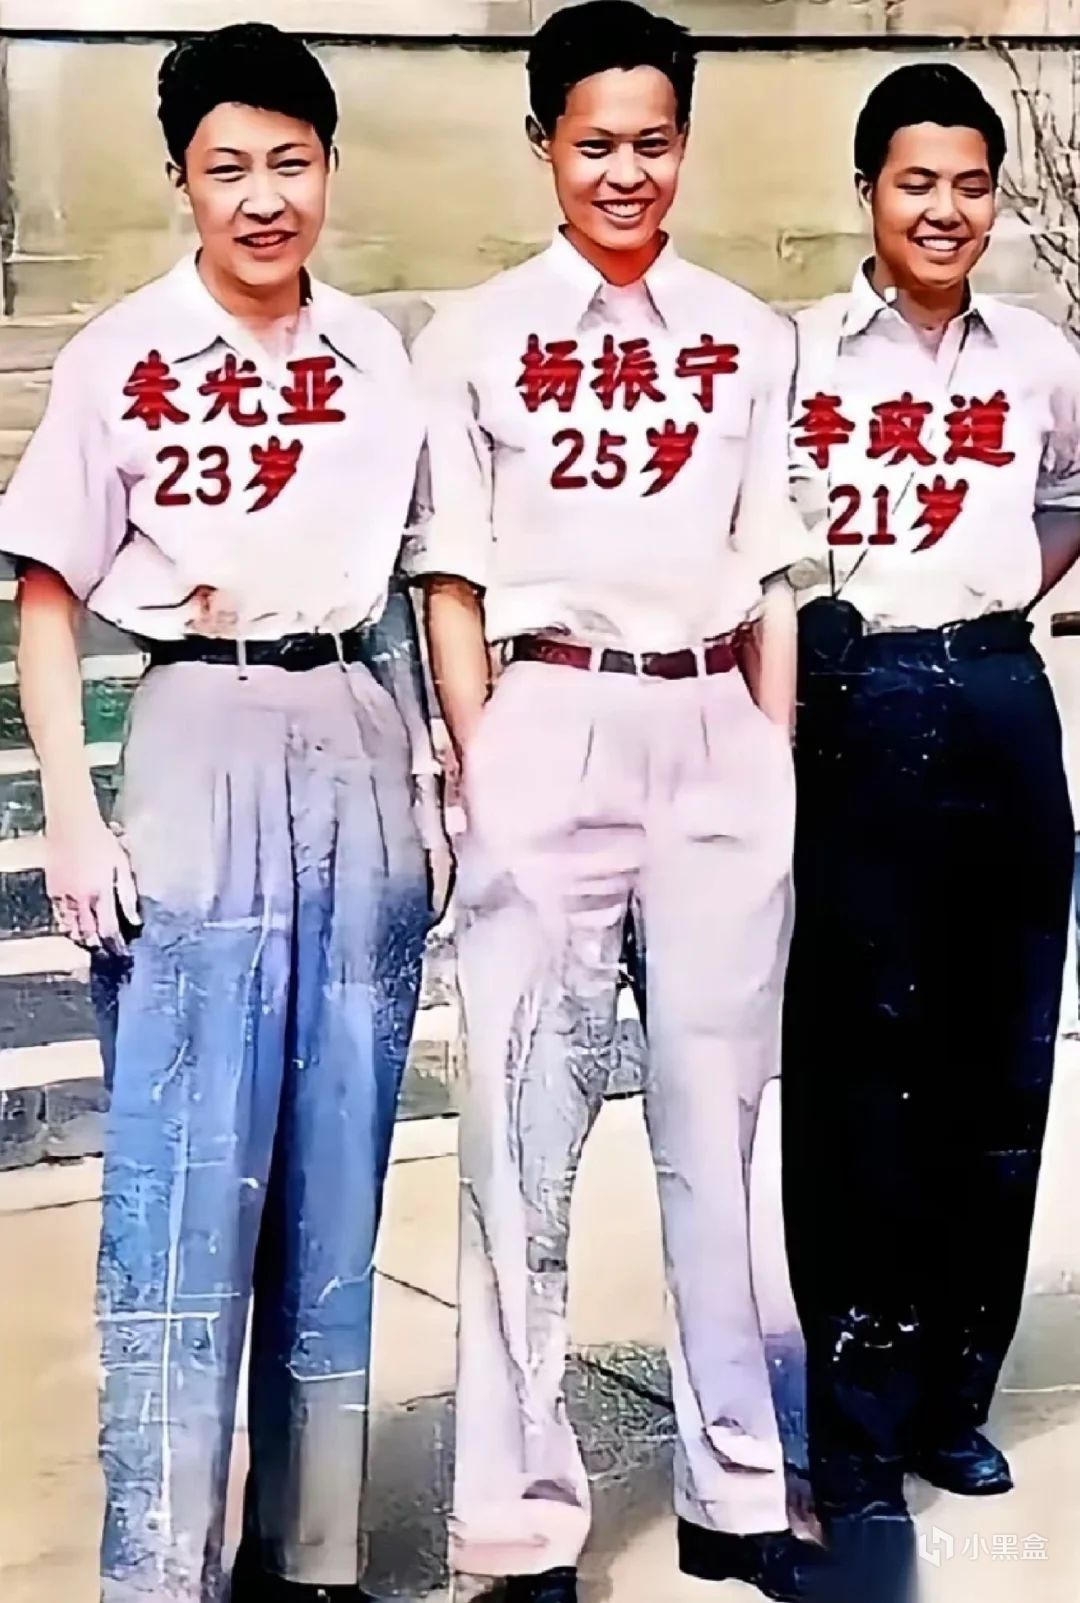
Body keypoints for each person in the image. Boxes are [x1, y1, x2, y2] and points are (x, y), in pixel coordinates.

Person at [0, 24, 447, 1603]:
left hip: (355, 730)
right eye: (228, 168)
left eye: (291, 163)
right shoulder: (122, 355)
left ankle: (309, 1554)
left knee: (340, 1169)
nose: (264, 198)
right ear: (182, 181)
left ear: (328, 169)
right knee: (186, 1179)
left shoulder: (377, 357)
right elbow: (46, 597)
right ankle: (159, 1566)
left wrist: (430, 780)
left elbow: (412, 581)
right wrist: (72, 812)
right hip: (195, 730)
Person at [406, 5, 821, 1599]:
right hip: (551, 718)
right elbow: (450, 576)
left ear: (685, 144)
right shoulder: (474, 336)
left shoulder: (749, 335)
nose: (626, 172)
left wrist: (769, 758)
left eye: (653, 142)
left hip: (717, 727)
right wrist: (486, 764)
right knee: (521, 1137)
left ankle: (739, 1487)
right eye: (596, 145)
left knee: (724, 1132)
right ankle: (519, 1519)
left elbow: (772, 567)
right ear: (544, 148)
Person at [783, 60, 1080, 1593]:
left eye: (971, 184)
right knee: (857, 1076)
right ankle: (851, 1422)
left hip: (1000, 700)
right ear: (867, 195)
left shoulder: (1039, 357)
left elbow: (1069, 496)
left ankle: (954, 1396)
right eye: (918, 183)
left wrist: (994, 604)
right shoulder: (793, 358)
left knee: (996, 1064)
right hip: (855, 700)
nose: (947, 210)